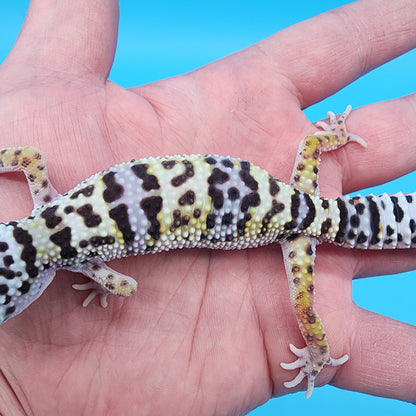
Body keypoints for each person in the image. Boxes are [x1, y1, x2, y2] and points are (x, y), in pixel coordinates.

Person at [0, 0, 415, 414]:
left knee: (305, 305)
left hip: (297, 226)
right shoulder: (48, 204)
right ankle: (337, 137)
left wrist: (98, 279)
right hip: (292, 199)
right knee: (310, 147)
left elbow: (126, 286)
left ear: (30, 289)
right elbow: (28, 157)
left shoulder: (83, 260)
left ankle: (320, 354)